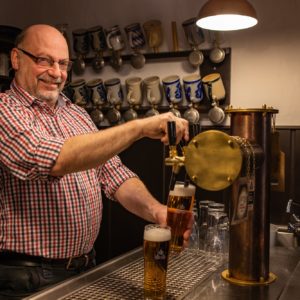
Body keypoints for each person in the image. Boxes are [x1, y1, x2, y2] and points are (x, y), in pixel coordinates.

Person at [0, 24, 191, 299]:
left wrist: (156, 211)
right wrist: (137, 128)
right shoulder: (5, 109)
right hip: (27, 278)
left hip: (85, 266)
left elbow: (114, 174)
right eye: (44, 60)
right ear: (16, 59)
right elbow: (54, 159)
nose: (56, 73)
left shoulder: (75, 114)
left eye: (63, 63)